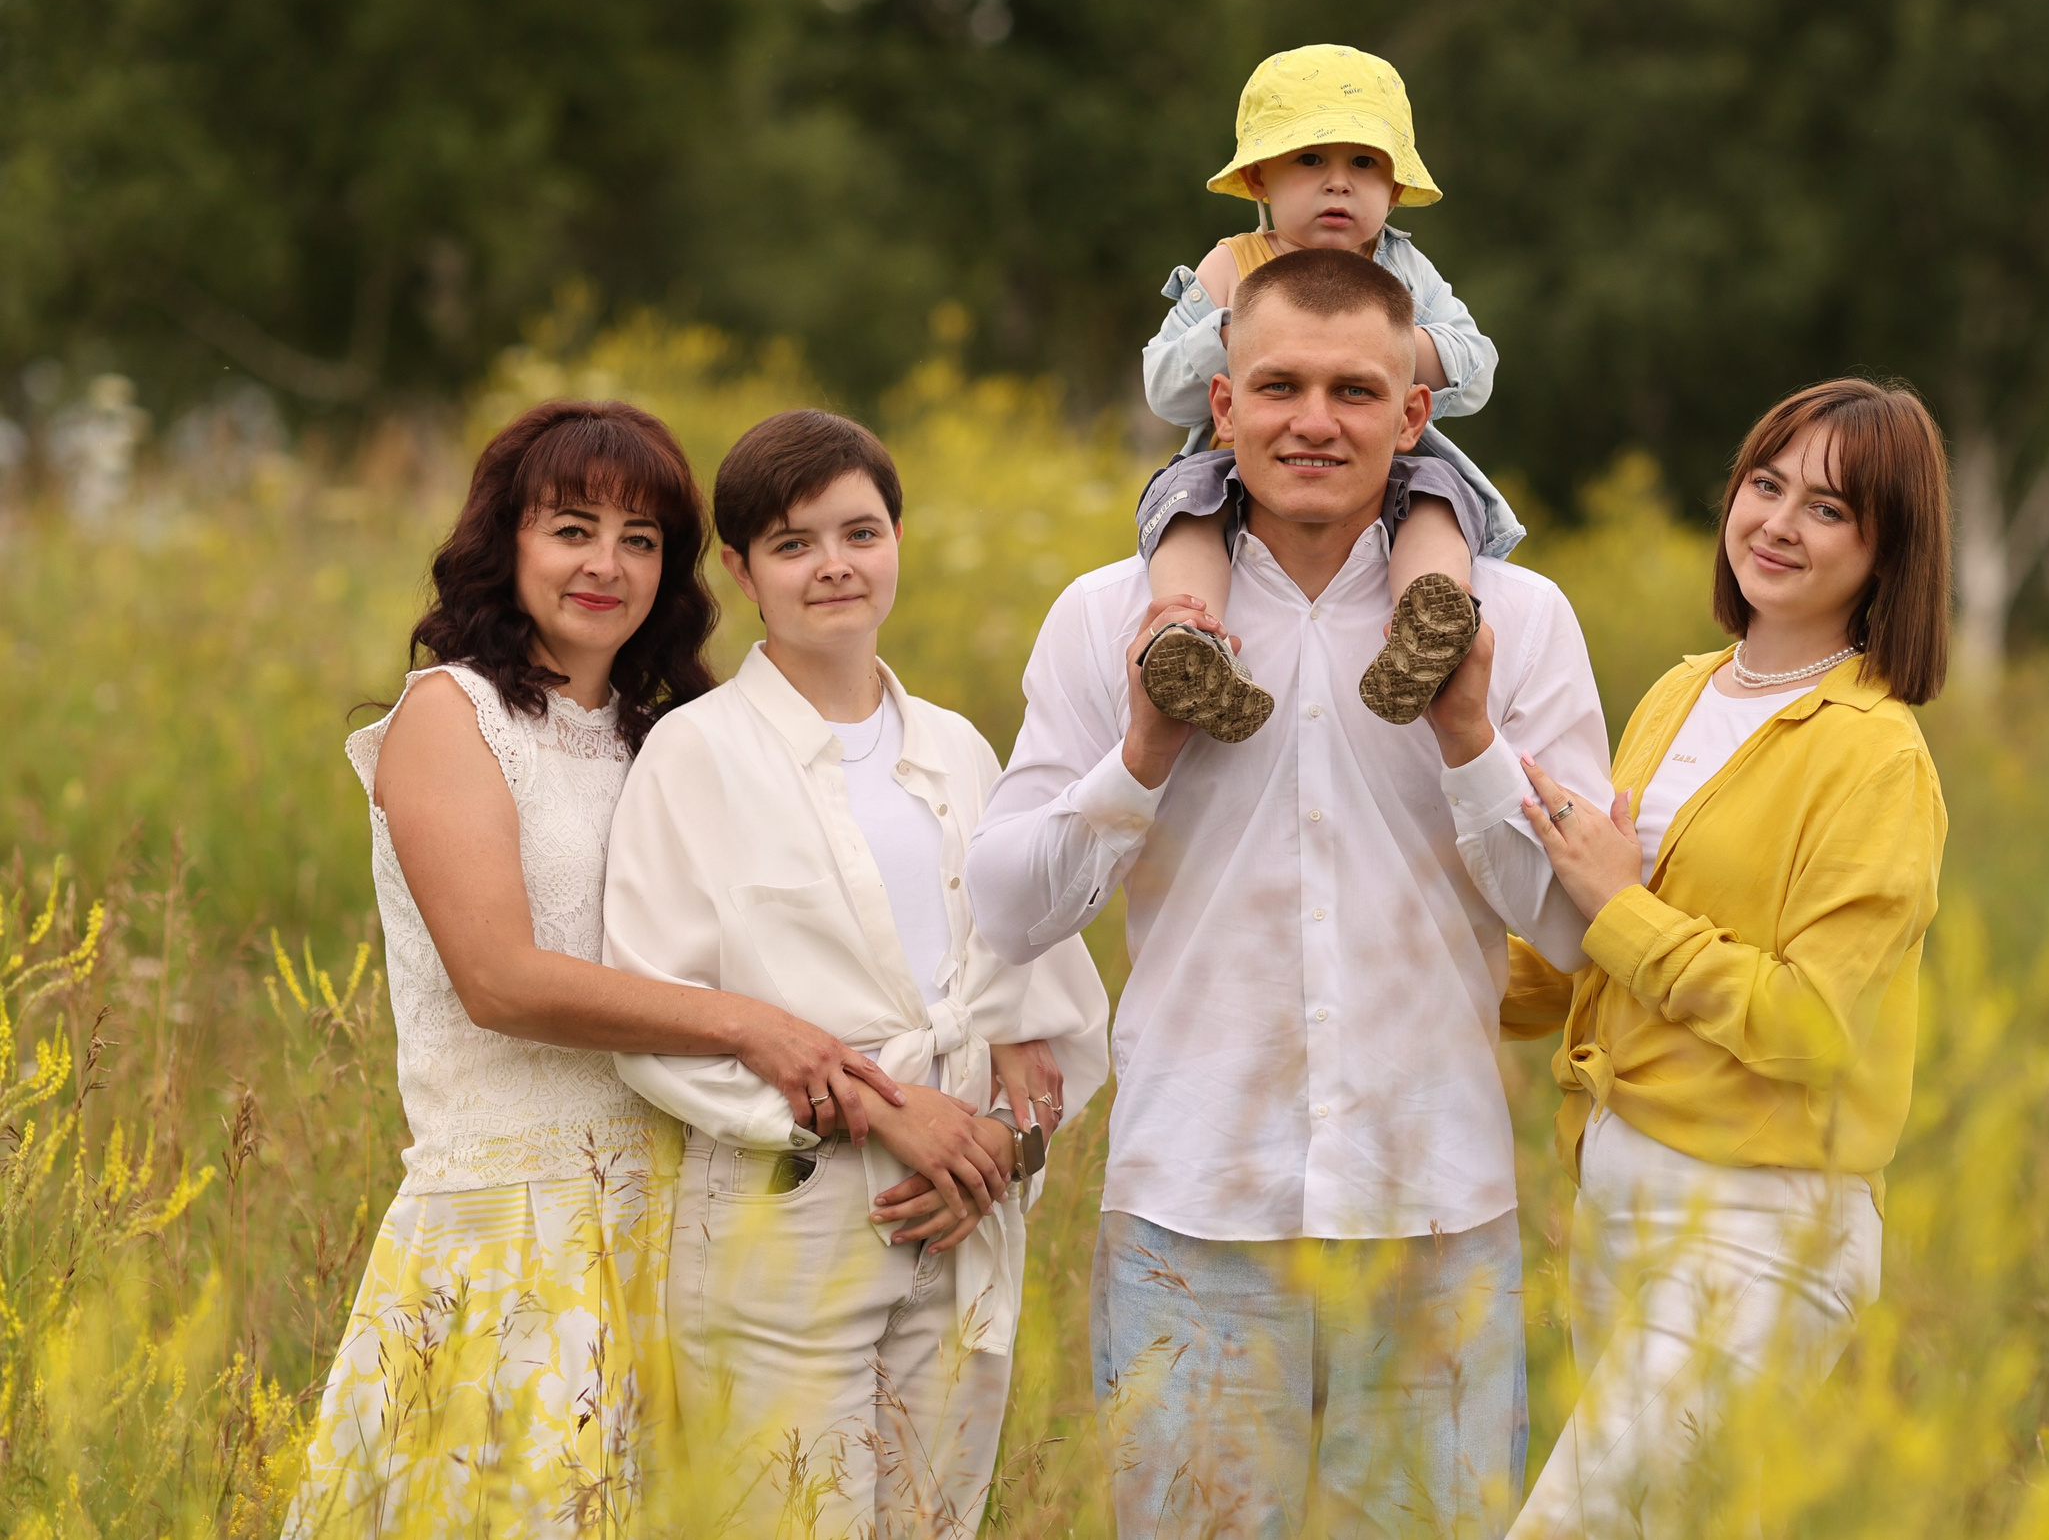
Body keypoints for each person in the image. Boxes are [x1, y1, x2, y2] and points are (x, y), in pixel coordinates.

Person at [968, 246, 1614, 1539]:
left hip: (1434, 1206)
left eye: (1353, 391)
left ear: (1414, 414)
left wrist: (1472, 733)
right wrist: (1143, 752)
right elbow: (1006, 902)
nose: (1312, 420)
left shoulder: (1519, 618)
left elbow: (1567, 921)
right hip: (1190, 1208)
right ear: (1220, 405)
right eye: (1277, 386)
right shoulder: (1114, 617)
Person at [287, 400, 907, 1539]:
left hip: (674, 1207)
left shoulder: (659, 735)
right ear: (506, 542)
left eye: (640, 538)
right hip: (514, 1221)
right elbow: (501, 980)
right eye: (571, 528)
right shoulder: (450, 716)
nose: (604, 565)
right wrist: (745, 1026)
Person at [602, 409, 1111, 1535]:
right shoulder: (697, 754)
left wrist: (1000, 1146)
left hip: (962, 1200)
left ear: (896, 540)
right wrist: (892, 1116)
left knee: (934, 1517)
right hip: (787, 1215)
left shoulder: (958, 747)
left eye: (859, 532)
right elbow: (661, 1014)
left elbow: (1040, 984)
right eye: (792, 544)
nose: (833, 565)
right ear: (738, 569)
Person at [1501, 378, 1953, 1537]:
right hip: (1615, 1199)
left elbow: (1812, 1022)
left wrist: (1616, 903)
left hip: (1762, 1220)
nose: (1776, 524)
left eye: (1828, 510)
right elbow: (1576, 958)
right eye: (1765, 484)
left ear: (1887, 552)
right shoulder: (1679, 691)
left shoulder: (1876, 756)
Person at [1135, 42, 1524, 741]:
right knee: (1185, 504)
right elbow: (1165, 387)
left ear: (1395, 187)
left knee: (1438, 497)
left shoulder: (1404, 268)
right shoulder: (1233, 265)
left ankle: (1428, 623)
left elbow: (1478, 366)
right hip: (1238, 460)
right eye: (1311, 161)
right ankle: (1186, 640)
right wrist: (1241, 328)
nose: (1338, 184)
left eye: (1364, 164)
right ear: (1259, 178)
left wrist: (1392, 349)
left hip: (1384, 457)